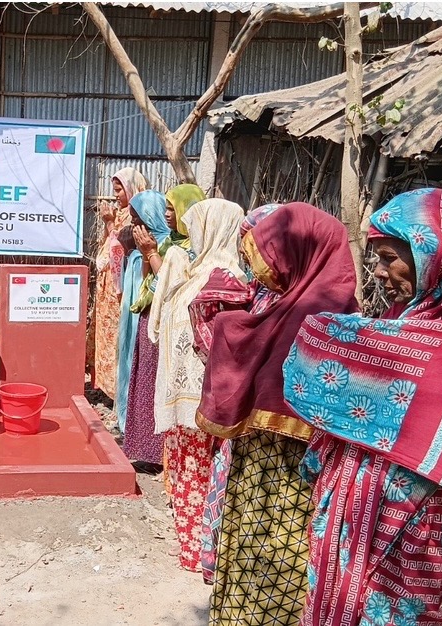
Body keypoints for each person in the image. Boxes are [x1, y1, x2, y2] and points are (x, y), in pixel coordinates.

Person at [282, 189, 442, 625]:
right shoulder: (400, 318)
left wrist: (331, 337)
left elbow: (342, 348)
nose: (379, 272)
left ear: (432, 255)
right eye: (377, 259)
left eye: (389, 257)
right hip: (351, 497)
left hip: (414, 510)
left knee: (399, 611)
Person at [195, 203, 358, 625]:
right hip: (256, 467)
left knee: (280, 565)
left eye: (275, 256)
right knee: (248, 550)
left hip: (302, 473)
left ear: (305, 253)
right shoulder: (282, 309)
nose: (267, 270)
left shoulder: (334, 320)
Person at [147, 196, 244, 572]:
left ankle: (203, 553)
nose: (193, 236)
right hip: (186, 400)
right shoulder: (198, 272)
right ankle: (194, 550)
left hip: (204, 403)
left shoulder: (225, 281)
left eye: (198, 227)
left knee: (202, 472)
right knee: (191, 472)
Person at [191, 203, 282, 585]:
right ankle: (225, 564)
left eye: (259, 245)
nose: (251, 255)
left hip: (277, 430)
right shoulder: (258, 292)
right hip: (243, 421)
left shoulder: (303, 302)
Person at [117, 189, 179, 467]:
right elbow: (146, 283)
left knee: (157, 384)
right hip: (147, 317)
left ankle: (157, 451)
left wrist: (151, 252)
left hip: (164, 322)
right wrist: (145, 254)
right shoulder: (152, 246)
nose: (133, 226)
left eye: (136, 218)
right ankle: (143, 447)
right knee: (142, 381)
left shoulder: (173, 246)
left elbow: (169, 282)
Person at [92, 168, 148, 411]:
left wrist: (110, 222)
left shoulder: (138, 216)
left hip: (123, 290)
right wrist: (110, 224)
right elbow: (110, 241)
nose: (116, 196)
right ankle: (107, 389)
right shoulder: (121, 214)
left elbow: (122, 248)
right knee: (107, 337)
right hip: (109, 289)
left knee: (120, 338)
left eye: (119, 190)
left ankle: (120, 393)